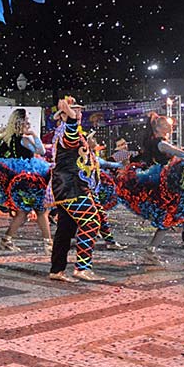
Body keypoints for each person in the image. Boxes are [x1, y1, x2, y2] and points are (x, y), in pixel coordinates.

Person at [116, 112, 184, 268]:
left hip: (165, 183)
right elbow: (183, 154)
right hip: (168, 186)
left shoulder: (155, 141)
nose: (171, 126)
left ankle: (153, 251)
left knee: (172, 218)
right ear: (160, 128)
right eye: (168, 125)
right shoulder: (161, 143)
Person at [0, 109, 52, 253]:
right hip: (30, 180)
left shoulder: (8, 140)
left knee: (23, 213)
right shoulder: (24, 139)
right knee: (40, 211)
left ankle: (7, 239)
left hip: (20, 181)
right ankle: (48, 244)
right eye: (26, 119)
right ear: (20, 122)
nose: (29, 122)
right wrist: (34, 135)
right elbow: (41, 151)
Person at [49, 98, 109, 282]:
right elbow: (71, 137)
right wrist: (72, 120)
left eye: (80, 111)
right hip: (71, 188)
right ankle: (82, 268)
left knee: (66, 229)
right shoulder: (66, 131)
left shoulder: (73, 132)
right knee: (91, 222)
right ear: (65, 115)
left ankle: (57, 270)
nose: (79, 114)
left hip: (70, 186)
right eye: (75, 111)